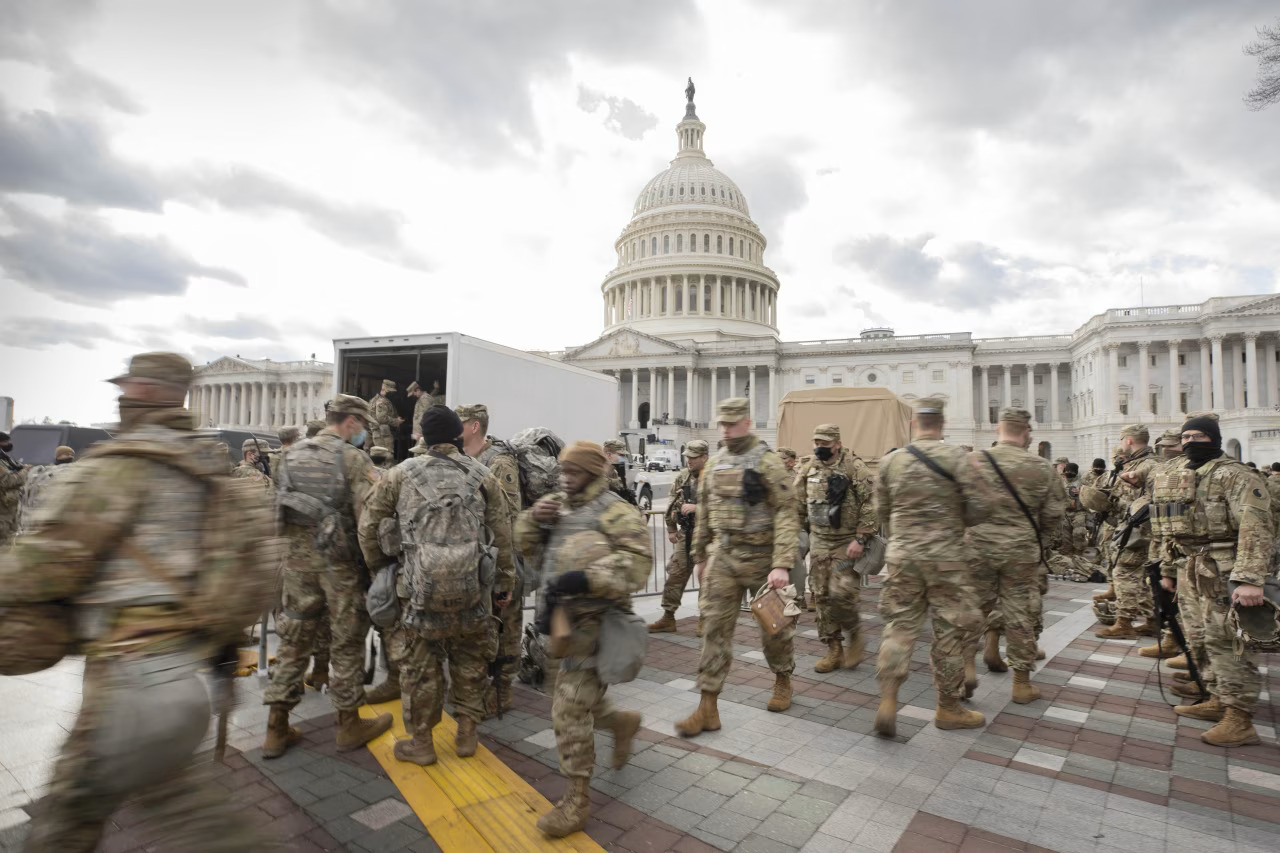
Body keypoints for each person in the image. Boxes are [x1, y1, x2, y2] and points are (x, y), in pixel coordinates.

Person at [0, 352, 279, 851]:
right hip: (185, 685)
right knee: (189, 813)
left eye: (127, 387)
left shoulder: (117, 469)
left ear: (145, 392)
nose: (121, 397)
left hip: (127, 686)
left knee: (66, 821)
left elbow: (39, 572)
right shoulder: (216, 477)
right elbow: (253, 583)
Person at [357, 406, 517, 766]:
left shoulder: (399, 475)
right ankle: (467, 734)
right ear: (458, 437)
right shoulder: (483, 476)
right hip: (473, 592)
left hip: (416, 593)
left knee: (420, 668)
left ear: (424, 438)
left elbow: (368, 527)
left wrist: (381, 569)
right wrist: (503, 584)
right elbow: (504, 538)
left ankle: (422, 743)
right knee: (471, 661)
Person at [514, 440, 651, 837]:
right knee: (573, 697)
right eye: (562, 471)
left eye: (572, 472)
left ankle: (576, 800)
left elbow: (638, 563)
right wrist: (532, 520)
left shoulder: (616, 511)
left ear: (592, 473)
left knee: (569, 708)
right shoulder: (557, 506)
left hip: (597, 626)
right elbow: (526, 547)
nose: (564, 478)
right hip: (559, 626)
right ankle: (621, 722)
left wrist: (589, 577)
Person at [262, 394, 394, 758]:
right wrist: (377, 568)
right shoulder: (353, 458)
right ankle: (348, 723)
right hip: (339, 568)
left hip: (296, 567)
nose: (364, 431)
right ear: (350, 421)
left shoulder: (288, 456)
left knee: (293, 642)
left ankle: (275, 727)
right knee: (346, 642)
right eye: (362, 424)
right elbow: (368, 521)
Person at [676, 398, 799, 737]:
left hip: (763, 561)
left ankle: (782, 677)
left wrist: (782, 564)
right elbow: (704, 511)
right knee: (714, 630)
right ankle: (707, 707)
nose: (726, 430)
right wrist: (700, 556)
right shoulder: (714, 464)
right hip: (724, 559)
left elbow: (787, 514)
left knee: (775, 629)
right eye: (723, 424)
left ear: (747, 422)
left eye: (732, 424)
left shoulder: (769, 464)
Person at [1153, 415, 1276, 745]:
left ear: (1215, 439)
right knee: (1202, 636)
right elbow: (1173, 526)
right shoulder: (1186, 474)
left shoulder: (1235, 474)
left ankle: (1240, 718)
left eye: (1199, 435)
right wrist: (1168, 569)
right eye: (1186, 436)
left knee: (1232, 641)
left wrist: (1250, 579)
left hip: (1226, 569)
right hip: (1192, 567)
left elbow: (1256, 524)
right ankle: (1217, 696)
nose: (1191, 441)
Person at [873, 397, 988, 736]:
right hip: (946, 557)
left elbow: (882, 510)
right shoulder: (959, 458)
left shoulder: (892, 461)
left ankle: (888, 701)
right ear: (942, 424)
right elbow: (981, 508)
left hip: (903, 556)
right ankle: (948, 708)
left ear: (913, 424)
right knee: (950, 630)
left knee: (899, 627)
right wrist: (956, 521)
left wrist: (902, 538)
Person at [967, 408, 1065, 703]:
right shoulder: (1041, 467)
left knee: (972, 610)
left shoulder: (973, 462)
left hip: (976, 548)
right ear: (1027, 434)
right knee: (1020, 613)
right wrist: (1037, 537)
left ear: (998, 430)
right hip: (1020, 550)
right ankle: (1021, 683)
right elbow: (1053, 514)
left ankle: (965, 671)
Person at [457, 403, 525, 717]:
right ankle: (478, 687)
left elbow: (509, 517)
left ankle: (503, 692)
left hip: (501, 559)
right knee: (481, 629)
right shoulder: (463, 460)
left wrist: (505, 573)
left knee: (506, 628)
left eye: (460, 422)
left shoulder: (499, 462)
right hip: (476, 560)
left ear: (474, 426)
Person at [795, 424, 877, 673]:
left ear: (837, 444)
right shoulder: (808, 467)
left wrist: (861, 538)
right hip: (819, 540)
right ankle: (834, 649)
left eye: (825, 444)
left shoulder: (855, 467)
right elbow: (797, 503)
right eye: (817, 443)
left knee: (843, 594)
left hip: (846, 542)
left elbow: (870, 504)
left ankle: (854, 634)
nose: (820, 447)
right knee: (821, 596)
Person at [1093, 425, 1160, 639]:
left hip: (1140, 530)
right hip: (1138, 528)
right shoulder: (1148, 462)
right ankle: (1152, 620)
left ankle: (1124, 623)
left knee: (1125, 572)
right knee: (1145, 577)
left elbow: (1145, 500)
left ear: (1128, 440)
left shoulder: (1146, 465)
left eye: (1122, 441)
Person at [649, 440, 709, 634]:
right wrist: (671, 528)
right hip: (686, 534)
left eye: (693, 457)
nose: (689, 461)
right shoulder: (683, 477)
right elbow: (672, 503)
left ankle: (705, 620)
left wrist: (698, 508)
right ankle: (668, 617)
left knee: (706, 579)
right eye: (687, 457)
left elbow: (727, 508)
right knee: (676, 574)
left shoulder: (715, 477)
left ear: (704, 457)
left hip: (708, 536)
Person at [776, 447, 813, 611]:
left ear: (791, 461)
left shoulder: (797, 479)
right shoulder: (775, 478)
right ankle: (791, 597)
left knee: (797, 561)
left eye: (781, 459)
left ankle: (800, 596)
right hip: (782, 527)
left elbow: (801, 505)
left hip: (797, 526)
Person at [16, 446, 76, 535]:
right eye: (67, 454)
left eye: (72, 455)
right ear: (58, 456)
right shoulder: (43, 473)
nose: (70, 457)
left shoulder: (74, 471)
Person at [0, 430, 28, 546]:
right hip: (3, 511)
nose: (8, 444)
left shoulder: (5, 458)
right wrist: (24, 472)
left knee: (9, 540)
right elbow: (8, 481)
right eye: (5, 442)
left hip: (9, 509)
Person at [1058, 462, 1088, 557]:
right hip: (1065, 512)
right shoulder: (1060, 482)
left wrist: (1083, 492)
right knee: (1065, 536)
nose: (1068, 473)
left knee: (1078, 534)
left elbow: (1092, 494)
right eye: (1067, 471)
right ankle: (1067, 557)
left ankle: (1079, 556)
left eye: (1071, 471)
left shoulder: (1082, 482)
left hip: (1079, 512)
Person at [369, 378, 402, 452]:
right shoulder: (382, 401)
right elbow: (382, 418)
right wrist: (396, 421)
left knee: (379, 456)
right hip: (382, 434)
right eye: (391, 391)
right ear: (386, 390)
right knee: (387, 456)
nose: (392, 393)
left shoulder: (375, 399)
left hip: (377, 432)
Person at [602, 438, 637, 504]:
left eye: (624, 456)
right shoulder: (598, 473)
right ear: (609, 455)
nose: (623, 458)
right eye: (620, 455)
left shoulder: (615, 473)